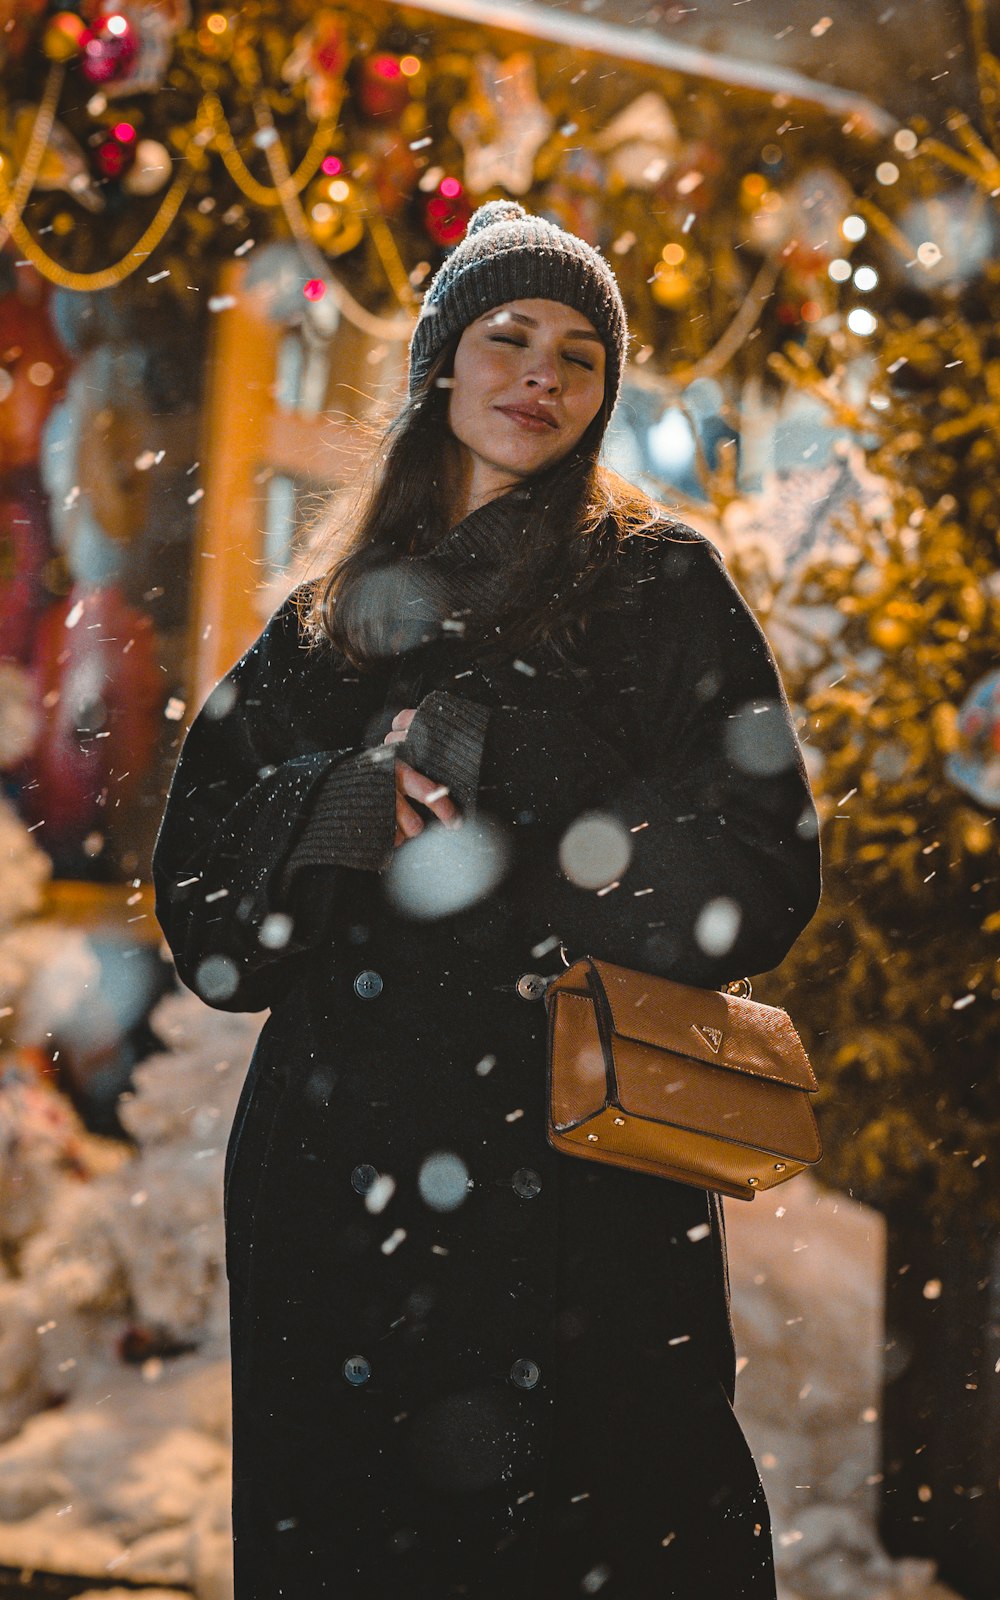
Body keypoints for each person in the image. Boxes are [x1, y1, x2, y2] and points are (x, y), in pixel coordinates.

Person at [153, 200, 821, 1600]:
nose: (541, 376)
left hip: (583, 1179)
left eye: (579, 354)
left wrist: (526, 769)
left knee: (604, 1542)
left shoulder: (660, 587)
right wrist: (337, 805)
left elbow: (761, 875)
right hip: (343, 1187)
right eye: (506, 336)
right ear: (439, 365)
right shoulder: (333, 617)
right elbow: (207, 913)